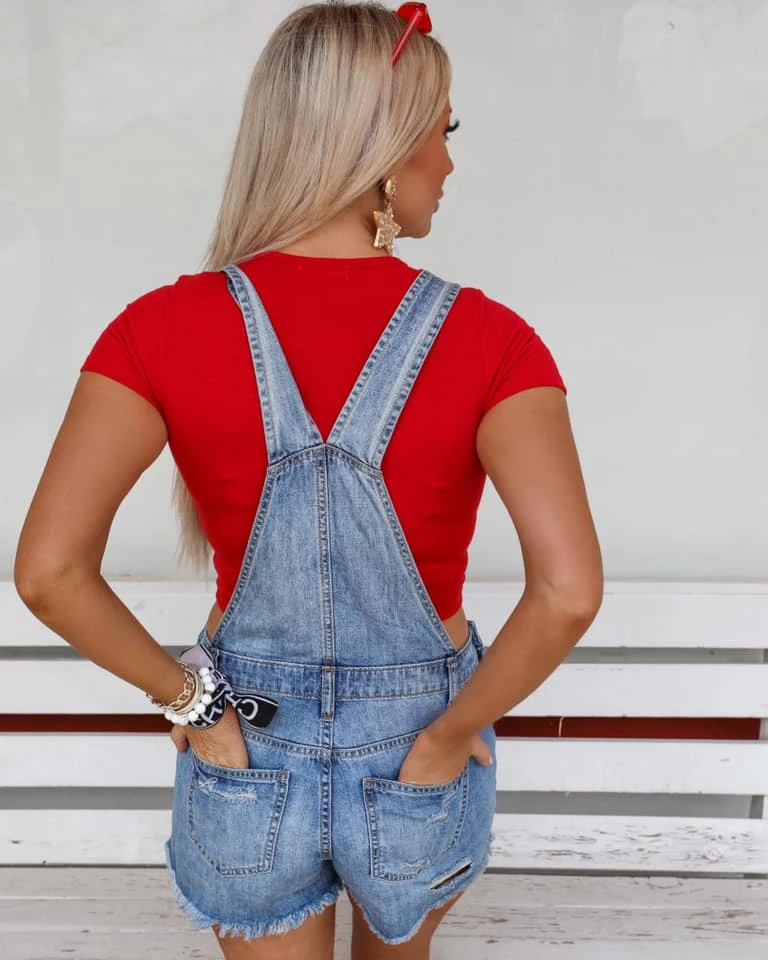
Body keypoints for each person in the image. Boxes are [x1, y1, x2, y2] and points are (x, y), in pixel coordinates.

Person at [14, 3, 603, 958]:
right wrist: (451, 733)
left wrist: (193, 706)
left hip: (246, 746)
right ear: (385, 152)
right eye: (442, 131)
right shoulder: (493, 341)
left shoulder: (157, 329)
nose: (449, 163)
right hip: (417, 752)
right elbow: (569, 593)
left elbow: (48, 573)